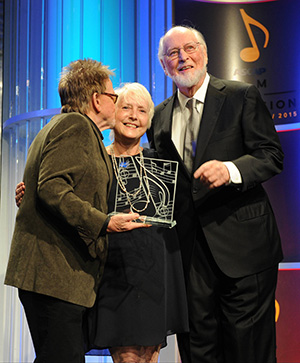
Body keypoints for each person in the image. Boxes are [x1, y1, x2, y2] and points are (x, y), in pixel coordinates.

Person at [15, 82, 189, 363]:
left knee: (146, 356)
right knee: (123, 356)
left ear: (149, 121)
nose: (134, 115)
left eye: (142, 110)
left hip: (150, 273)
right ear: (111, 112)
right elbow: (60, 195)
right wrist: (31, 195)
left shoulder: (162, 165)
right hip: (104, 272)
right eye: (126, 108)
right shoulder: (91, 159)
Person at [147, 26, 284, 363]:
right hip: (188, 254)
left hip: (245, 248)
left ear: (205, 54)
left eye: (190, 48)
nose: (183, 58)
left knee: (248, 349)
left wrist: (230, 170)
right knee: (197, 348)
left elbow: (270, 156)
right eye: (172, 54)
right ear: (164, 65)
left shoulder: (241, 95)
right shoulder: (159, 116)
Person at [5, 59, 148, 363]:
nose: (116, 101)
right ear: (97, 100)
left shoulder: (67, 128)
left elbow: (49, 186)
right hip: (54, 276)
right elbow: (52, 187)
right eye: (113, 96)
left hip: (55, 277)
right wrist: (104, 223)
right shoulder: (76, 126)